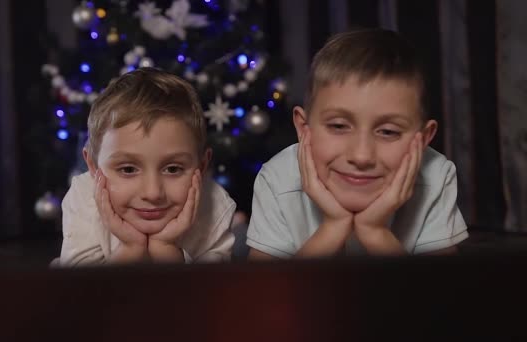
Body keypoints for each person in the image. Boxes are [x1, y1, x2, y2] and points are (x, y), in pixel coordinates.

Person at [247, 28, 469, 259]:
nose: (361, 156)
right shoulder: (278, 178)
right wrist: (332, 227)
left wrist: (375, 232)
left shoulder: (436, 175)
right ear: (304, 129)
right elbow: (263, 295)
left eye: (388, 131)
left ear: (423, 139)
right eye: (339, 126)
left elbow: (441, 295)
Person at [55, 67, 236, 266]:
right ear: (93, 165)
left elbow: (205, 295)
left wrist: (165, 248)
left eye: (173, 169)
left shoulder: (215, 204)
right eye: (128, 169)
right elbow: (84, 294)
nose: (153, 193)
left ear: (202, 166)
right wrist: (131, 249)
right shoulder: (84, 194)